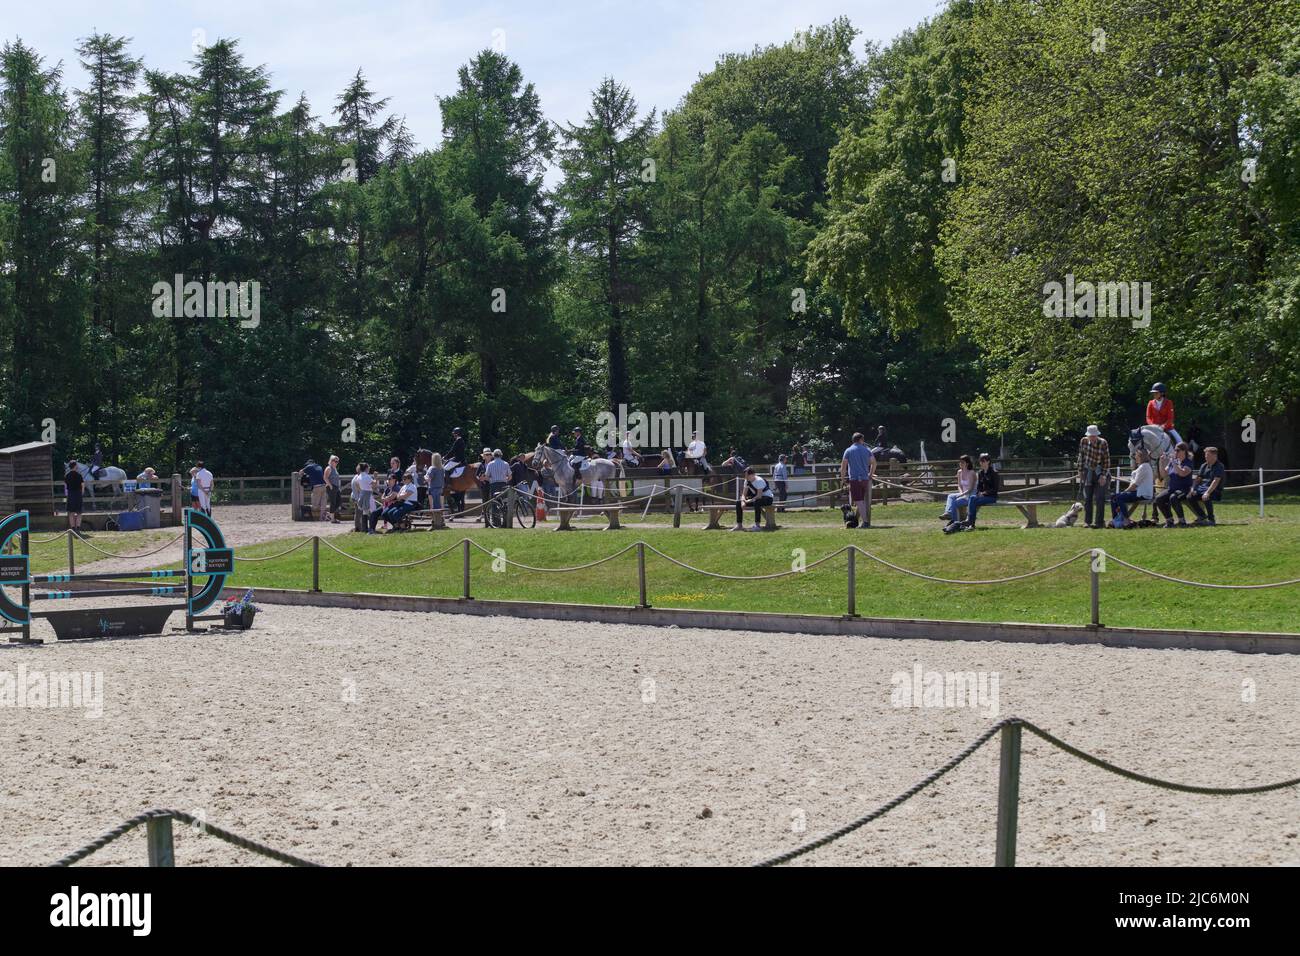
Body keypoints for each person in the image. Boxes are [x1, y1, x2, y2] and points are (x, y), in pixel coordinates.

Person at [1077, 425, 1111, 529]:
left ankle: (1099, 522)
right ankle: (1087, 521)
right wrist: (1080, 470)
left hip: (1100, 471)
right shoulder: (1083, 441)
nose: (1092, 438)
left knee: (1100, 498)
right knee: (1088, 498)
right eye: (1090, 436)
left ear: (1097, 435)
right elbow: (1081, 456)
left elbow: (1106, 461)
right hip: (1088, 472)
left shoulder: (1103, 443)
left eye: (1094, 436)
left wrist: (1103, 476)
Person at [1110, 449, 1154, 528]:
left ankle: (1126, 520)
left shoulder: (1144, 467)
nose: (1135, 457)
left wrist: (1124, 492)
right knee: (1113, 496)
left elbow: (1135, 485)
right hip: (1137, 492)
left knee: (1119, 497)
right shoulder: (1142, 466)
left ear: (1141, 457)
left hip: (1142, 493)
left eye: (1136, 455)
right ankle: (1115, 520)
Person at [840, 433, 875, 529]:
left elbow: (843, 466)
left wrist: (843, 479)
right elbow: (874, 463)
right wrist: (870, 474)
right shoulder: (867, 450)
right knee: (861, 501)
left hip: (854, 479)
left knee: (859, 501)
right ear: (861, 440)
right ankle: (857, 521)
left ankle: (866, 522)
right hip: (865, 479)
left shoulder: (848, 450)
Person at [1155, 442, 1194, 527]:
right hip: (1172, 488)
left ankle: (1182, 521)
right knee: (1158, 498)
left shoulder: (1187, 462)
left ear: (1184, 451)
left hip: (1184, 489)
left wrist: (1174, 463)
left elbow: (1182, 473)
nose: (1175, 452)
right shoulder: (1173, 462)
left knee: (1173, 497)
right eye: (1174, 450)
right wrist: (1161, 462)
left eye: (1177, 450)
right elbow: (1163, 474)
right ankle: (1169, 520)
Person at [959, 453, 1001, 529]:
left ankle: (970, 522)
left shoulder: (994, 473)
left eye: (983, 461)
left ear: (988, 462)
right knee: (972, 498)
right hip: (982, 496)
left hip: (992, 497)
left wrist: (984, 493)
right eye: (980, 461)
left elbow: (995, 489)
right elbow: (979, 487)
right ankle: (970, 523)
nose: (981, 463)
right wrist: (978, 493)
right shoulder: (980, 473)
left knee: (973, 501)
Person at [1185, 446, 1225, 526]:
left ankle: (1211, 520)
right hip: (1202, 488)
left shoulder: (1219, 466)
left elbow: (1215, 481)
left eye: (1208, 455)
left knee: (1206, 497)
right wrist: (1193, 488)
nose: (1206, 457)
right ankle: (1202, 516)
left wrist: (1207, 492)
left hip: (1214, 489)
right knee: (1189, 497)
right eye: (1205, 455)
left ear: (1214, 456)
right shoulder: (1204, 465)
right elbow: (1198, 479)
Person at [941, 454, 978, 524]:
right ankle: (948, 513)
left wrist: (962, 495)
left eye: (962, 462)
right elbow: (959, 485)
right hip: (963, 494)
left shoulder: (971, 473)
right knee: (950, 496)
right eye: (960, 462)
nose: (960, 464)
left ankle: (955, 522)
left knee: (954, 503)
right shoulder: (959, 472)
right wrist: (961, 494)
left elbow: (970, 489)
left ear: (967, 463)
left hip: (971, 495)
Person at [1146, 382, 1183, 446]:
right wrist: (1153, 426)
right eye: (1153, 393)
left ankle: (1183, 454)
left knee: (1179, 440)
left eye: (1156, 393)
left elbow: (1170, 418)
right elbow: (1148, 417)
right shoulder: (1150, 403)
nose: (1154, 394)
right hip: (1154, 427)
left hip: (1167, 428)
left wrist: (1163, 426)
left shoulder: (1169, 403)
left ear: (1162, 393)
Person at [484, 449, 513, 526]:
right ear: (501, 455)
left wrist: (491, 479)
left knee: (494, 504)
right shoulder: (506, 463)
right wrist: (505, 479)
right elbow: (510, 477)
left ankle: (496, 523)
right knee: (504, 503)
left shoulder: (490, 464)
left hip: (494, 485)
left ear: (493, 455)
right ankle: (505, 522)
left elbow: (486, 477)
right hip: (503, 485)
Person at [64, 460, 85, 534]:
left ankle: (72, 528)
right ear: (75, 466)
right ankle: (78, 528)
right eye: (77, 465)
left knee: (71, 513)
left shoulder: (67, 475)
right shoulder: (79, 475)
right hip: (78, 495)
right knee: (79, 513)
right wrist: (81, 494)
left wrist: (67, 495)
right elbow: (82, 486)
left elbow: (66, 487)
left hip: (70, 495)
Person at [323, 454, 342, 524]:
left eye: (337, 461)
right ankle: (332, 519)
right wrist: (330, 486)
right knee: (333, 502)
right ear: (331, 461)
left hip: (336, 487)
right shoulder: (329, 468)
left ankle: (329, 514)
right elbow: (325, 478)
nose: (336, 462)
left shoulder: (335, 468)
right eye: (335, 461)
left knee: (339, 501)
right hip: (331, 487)